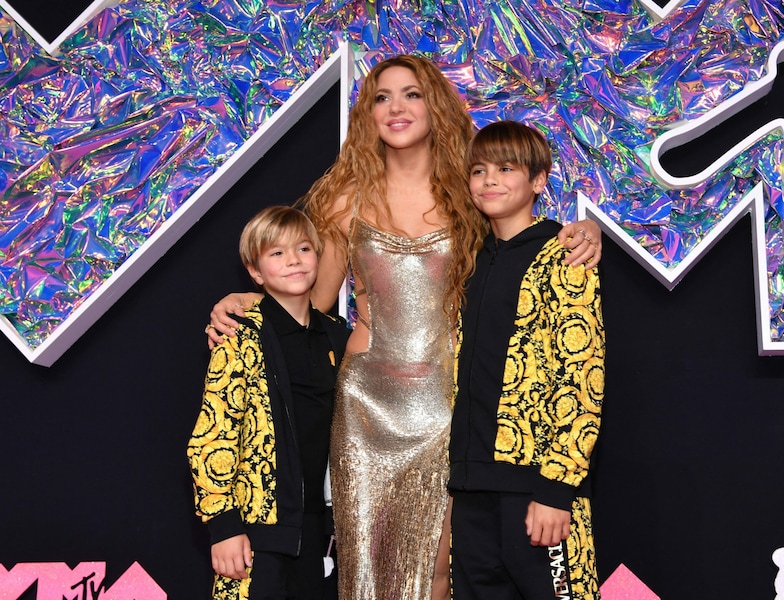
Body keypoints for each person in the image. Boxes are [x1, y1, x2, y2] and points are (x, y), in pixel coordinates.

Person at [205, 55, 602, 600]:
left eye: (411, 94)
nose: (396, 107)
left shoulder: (470, 194)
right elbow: (308, 309)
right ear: (367, 114)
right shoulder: (345, 198)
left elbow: (523, 236)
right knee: (364, 574)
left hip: (448, 407)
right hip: (364, 408)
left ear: (434, 105)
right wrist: (246, 301)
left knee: (441, 571)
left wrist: (585, 230)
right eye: (381, 97)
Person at [448, 120, 604, 599]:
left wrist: (556, 490)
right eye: (478, 170)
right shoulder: (468, 260)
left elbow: (582, 378)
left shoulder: (566, 255)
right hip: (471, 485)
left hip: (538, 485)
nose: (489, 180)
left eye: (505, 168)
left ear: (538, 181)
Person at [188, 206, 351, 600]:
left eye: (303, 248)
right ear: (255, 271)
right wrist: (223, 524)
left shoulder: (337, 337)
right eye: (276, 253)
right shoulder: (239, 334)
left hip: (321, 532)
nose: (293, 259)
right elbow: (215, 432)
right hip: (257, 526)